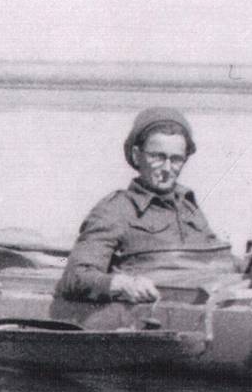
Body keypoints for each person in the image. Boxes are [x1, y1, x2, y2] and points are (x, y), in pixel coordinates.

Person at [55, 107, 233, 303]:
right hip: (150, 319)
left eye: (176, 159)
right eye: (157, 157)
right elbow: (75, 276)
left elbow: (212, 262)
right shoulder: (116, 209)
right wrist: (122, 284)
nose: (166, 169)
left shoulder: (188, 208)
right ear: (136, 154)